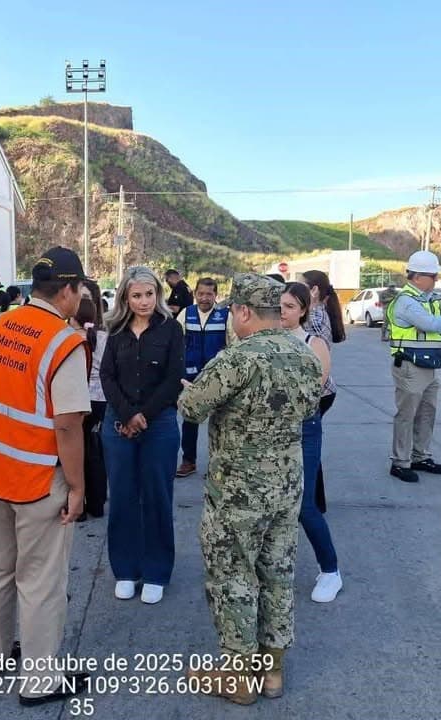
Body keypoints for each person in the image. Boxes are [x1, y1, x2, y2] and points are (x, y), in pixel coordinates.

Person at [178, 273, 322, 705]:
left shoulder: (236, 359)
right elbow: (310, 406)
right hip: (287, 485)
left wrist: (193, 391)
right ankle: (272, 670)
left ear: (242, 311)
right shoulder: (304, 355)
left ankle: (238, 676)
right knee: (277, 571)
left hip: (238, 492)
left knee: (233, 575)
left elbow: (191, 408)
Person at [0, 246, 91, 708]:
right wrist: (77, 487)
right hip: (37, 477)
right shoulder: (64, 342)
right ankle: (40, 680)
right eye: (81, 290)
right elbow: (68, 424)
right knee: (40, 581)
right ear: (69, 289)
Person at [101, 266, 184, 605]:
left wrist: (142, 416)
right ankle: (125, 569)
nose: (144, 301)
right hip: (118, 424)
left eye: (149, 294)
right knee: (122, 497)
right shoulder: (116, 329)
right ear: (126, 297)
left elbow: (173, 378)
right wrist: (126, 415)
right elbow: (107, 375)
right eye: (136, 295)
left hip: (159, 424)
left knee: (156, 496)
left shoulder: (170, 329)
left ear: (158, 295)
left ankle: (156, 571)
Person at [280, 283, 342, 602]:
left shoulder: (314, 344)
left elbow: (310, 393)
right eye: (278, 306)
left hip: (303, 428)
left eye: (290, 306)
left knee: (304, 505)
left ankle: (330, 571)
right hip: (268, 431)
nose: (282, 312)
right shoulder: (263, 341)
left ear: (303, 310)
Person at [384, 252, 441, 483]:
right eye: (433, 276)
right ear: (417, 277)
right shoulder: (406, 301)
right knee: (407, 415)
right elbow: (432, 324)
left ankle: (420, 456)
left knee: (427, 413)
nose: (436, 279)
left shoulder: (431, 299)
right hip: (410, 365)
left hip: (430, 365)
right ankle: (400, 462)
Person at [299, 270, 345, 511]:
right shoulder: (319, 312)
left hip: (319, 391)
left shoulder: (314, 316)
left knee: (307, 449)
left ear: (314, 290)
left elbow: (313, 357)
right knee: (308, 447)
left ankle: (313, 504)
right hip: (325, 390)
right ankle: (317, 502)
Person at [177, 277, 232, 478]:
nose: (204, 298)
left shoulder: (225, 316)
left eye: (209, 294)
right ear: (195, 294)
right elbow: (176, 342)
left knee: (220, 422)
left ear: (215, 295)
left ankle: (218, 465)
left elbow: (234, 345)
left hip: (218, 378)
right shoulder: (186, 313)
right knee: (189, 419)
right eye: (201, 294)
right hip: (191, 377)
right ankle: (188, 461)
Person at [73, 297, 108, 519]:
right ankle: (98, 502)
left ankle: (80, 505)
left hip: (78, 399)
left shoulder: (70, 338)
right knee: (96, 450)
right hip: (101, 399)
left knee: (77, 452)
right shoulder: (104, 337)